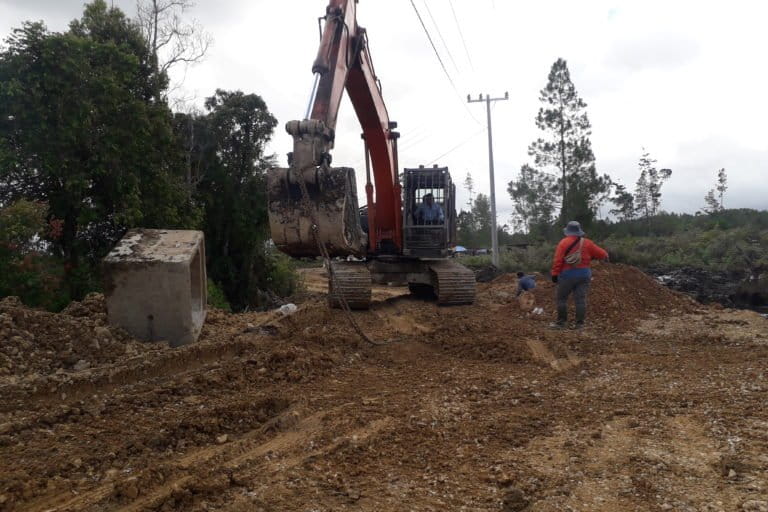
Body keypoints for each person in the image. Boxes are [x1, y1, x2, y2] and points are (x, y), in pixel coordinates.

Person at [550, 220, 609, 329]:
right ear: (579, 231)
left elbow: (557, 261)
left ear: (568, 231)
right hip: (584, 275)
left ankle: (561, 323)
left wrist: (554, 274)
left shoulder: (563, 243)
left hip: (567, 275)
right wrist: (605, 256)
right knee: (580, 299)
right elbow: (603, 254)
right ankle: (580, 324)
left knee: (561, 299)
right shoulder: (587, 243)